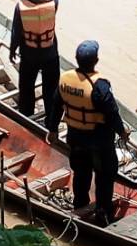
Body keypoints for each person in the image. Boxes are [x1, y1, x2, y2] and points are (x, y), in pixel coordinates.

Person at [53, 39, 130, 227]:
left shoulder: (65, 79)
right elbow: (112, 113)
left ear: (76, 59)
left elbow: (56, 106)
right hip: (99, 141)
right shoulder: (100, 86)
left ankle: (80, 205)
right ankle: (103, 215)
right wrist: (123, 132)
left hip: (76, 138)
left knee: (81, 174)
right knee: (104, 177)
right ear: (96, 60)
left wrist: (53, 129)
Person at [8, 0, 59, 122]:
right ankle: (51, 118)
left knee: (27, 86)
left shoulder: (20, 7)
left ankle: (27, 115)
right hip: (50, 52)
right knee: (51, 88)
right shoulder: (55, 1)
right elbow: (37, 5)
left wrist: (12, 50)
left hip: (30, 54)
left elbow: (16, 32)